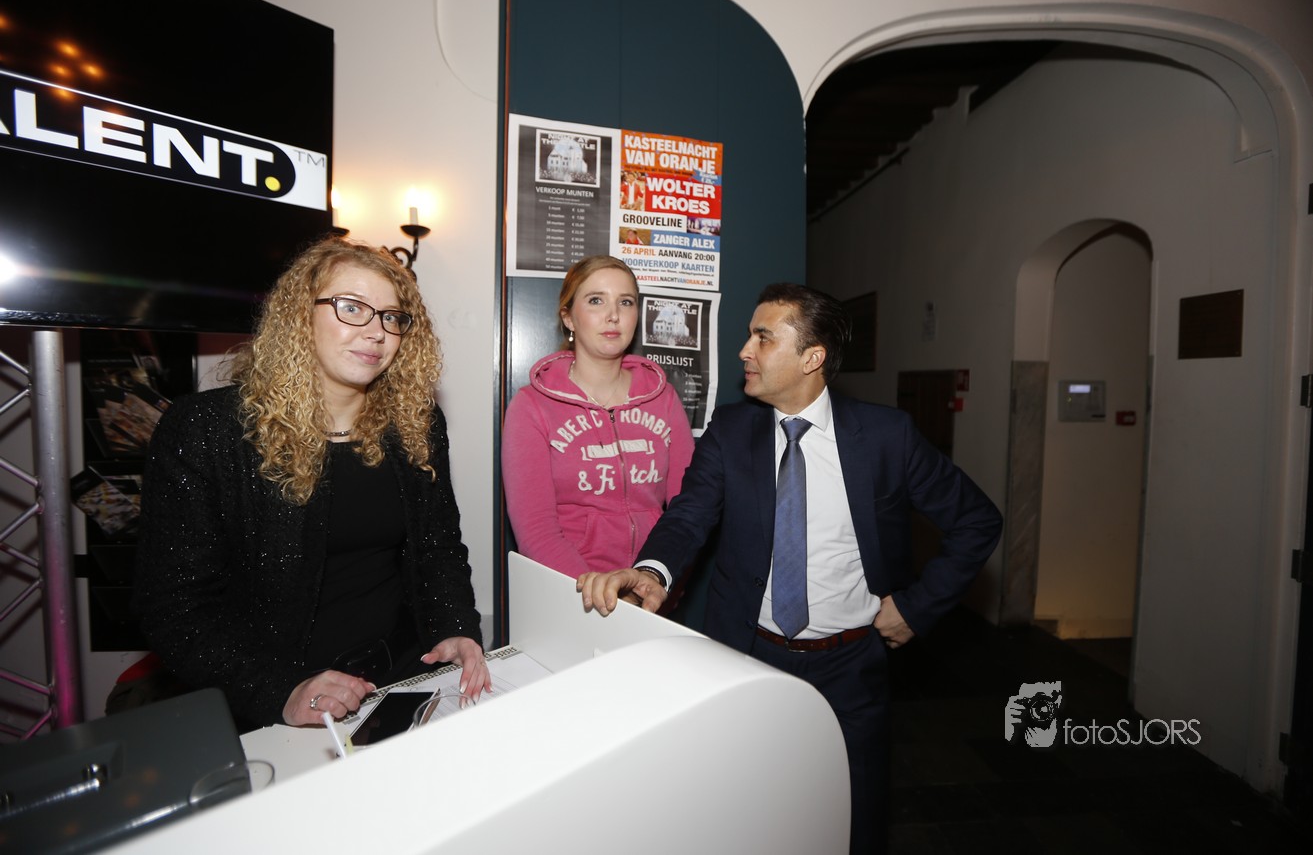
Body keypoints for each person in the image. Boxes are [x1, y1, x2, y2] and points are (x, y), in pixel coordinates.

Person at [577, 282, 1002, 855]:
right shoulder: (731, 431)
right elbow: (689, 516)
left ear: (811, 357)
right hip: (747, 657)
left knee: (855, 818)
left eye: (763, 338)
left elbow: (977, 521)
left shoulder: (886, 437)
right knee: (749, 816)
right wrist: (652, 573)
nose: (744, 351)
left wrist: (916, 608)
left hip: (850, 666)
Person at [134, 237, 491, 731]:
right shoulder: (205, 432)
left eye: (391, 317)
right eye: (352, 308)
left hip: (403, 676)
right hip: (277, 700)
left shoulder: (417, 424)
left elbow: (438, 549)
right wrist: (279, 690)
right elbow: (176, 608)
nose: (376, 332)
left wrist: (455, 628)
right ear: (300, 315)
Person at [501, 255, 695, 577]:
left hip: (653, 586)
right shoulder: (531, 406)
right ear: (569, 318)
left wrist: (654, 580)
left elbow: (686, 509)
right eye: (596, 300)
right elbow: (537, 531)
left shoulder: (664, 398)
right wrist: (597, 594)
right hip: (572, 592)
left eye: (626, 302)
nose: (613, 315)